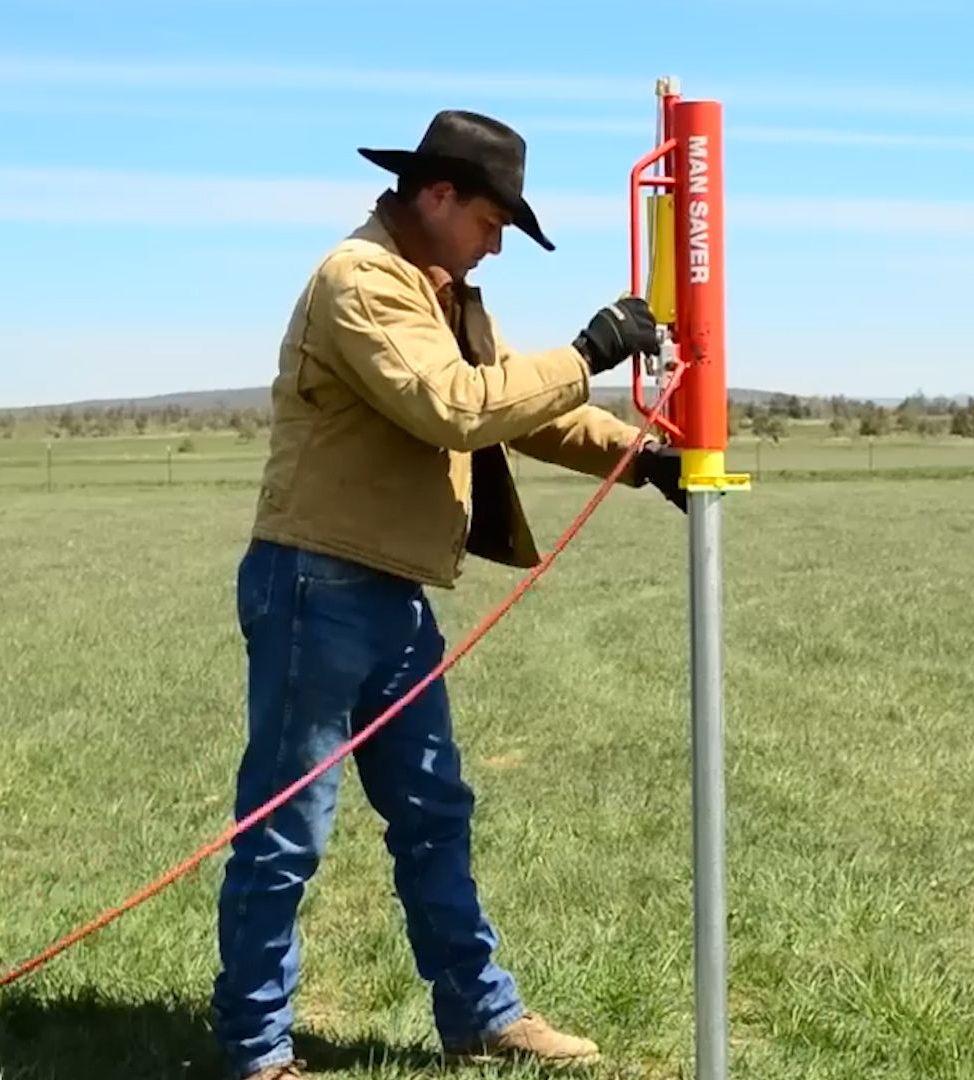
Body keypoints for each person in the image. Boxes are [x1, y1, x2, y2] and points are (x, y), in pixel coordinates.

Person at [209, 109, 687, 1080]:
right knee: (287, 833)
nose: (499, 242)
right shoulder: (363, 282)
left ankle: (480, 1014)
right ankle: (257, 1052)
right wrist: (591, 348)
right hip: (316, 584)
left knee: (435, 810)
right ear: (436, 195)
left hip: (395, 597)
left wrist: (639, 458)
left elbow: (519, 400)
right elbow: (458, 409)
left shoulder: (444, 291)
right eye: (492, 219)